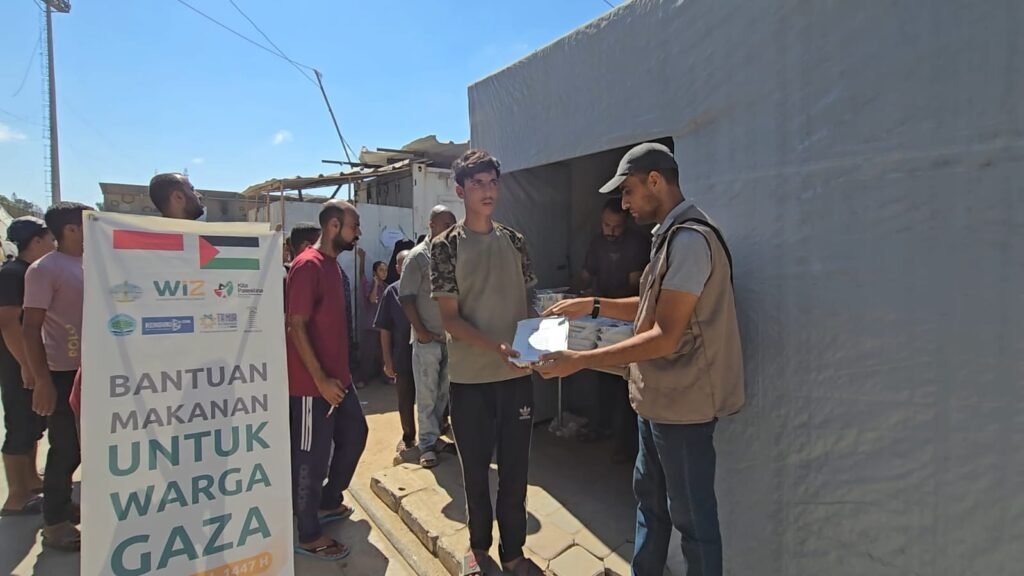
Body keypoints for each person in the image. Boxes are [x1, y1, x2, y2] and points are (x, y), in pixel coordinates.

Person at [538, 143, 744, 576]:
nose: (626, 203)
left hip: (684, 408)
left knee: (693, 521)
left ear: (655, 180)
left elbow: (665, 336)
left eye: (629, 190)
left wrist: (581, 359)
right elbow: (651, 306)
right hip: (656, 401)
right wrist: (593, 305)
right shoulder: (669, 237)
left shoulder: (690, 241)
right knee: (649, 503)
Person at [431, 150, 542, 575]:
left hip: (515, 377)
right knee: (475, 475)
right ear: (460, 191)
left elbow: (528, 302)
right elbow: (450, 319)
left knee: (515, 474)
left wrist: (540, 340)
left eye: (492, 182)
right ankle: (478, 550)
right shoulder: (445, 246)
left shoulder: (515, 241)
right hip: (470, 381)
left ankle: (513, 554)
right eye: (477, 183)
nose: (487, 190)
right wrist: (497, 347)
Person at [286, 200, 368, 561]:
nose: (358, 233)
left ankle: (329, 500)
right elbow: (296, 325)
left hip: (340, 381)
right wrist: (319, 380)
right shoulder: (308, 265)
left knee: (356, 435)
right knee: (310, 459)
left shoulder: (332, 265)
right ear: (334, 226)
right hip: (311, 387)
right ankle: (308, 534)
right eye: (354, 226)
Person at [23, 202, 93, 552]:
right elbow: (30, 327)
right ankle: (55, 523)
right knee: (65, 448)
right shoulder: (44, 269)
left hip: (96, 371)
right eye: (88, 223)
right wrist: (42, 381)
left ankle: (65, 504)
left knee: (86, 447)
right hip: (63, 373)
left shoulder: (95, 263)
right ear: (71, 229)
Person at [576, 197, 650, 458]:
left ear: (626, 223)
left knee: (627, 381)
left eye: (616, 227)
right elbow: (586, 274)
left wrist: (601, 302)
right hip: (603, 317)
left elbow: (635, 286)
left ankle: (627, 444)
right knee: (603, 375)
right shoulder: (597, 243)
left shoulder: (637, 244)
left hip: (629, 319)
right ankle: (602, 426)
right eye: (607, 225)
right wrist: (574, 294)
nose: (611, 231)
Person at [0, 217, 53, 516]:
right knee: (19, 426)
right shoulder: (13, 274)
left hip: (31, 362)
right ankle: (16, 497)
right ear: (36, 241)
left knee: (33, 425)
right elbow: (8, 323)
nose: (53, 244)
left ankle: (31, 480)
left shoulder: (31, 272)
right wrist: (26, 365)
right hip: (17, 363)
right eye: (49, 238)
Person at [400, 205, 457, 468]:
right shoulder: (417, 258)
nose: (451, 230)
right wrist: (421, 332)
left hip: (449, 338)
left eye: (454, 225)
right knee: (426, 394)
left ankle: (435, 436)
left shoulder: (452, 256)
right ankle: (426, 445)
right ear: (431, 225)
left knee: (443, 392)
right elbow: (406, 298)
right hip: (427, 340)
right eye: (446, 225)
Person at [372, 250, 416, 458]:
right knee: (405, 399)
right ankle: (408, 437)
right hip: (403, 356)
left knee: (433, 398)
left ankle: (434, 435)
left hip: (427, 355)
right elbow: (385, 329)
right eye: (403, 265)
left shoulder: (426, 288)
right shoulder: (392, 293)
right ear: (397, 269)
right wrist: (387, 361)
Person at [356, 260, 388, 387]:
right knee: (367, 355)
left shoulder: (386, 287)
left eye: (385, 270)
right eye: (381, 270)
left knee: (383, 354)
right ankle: (363, 379)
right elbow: (372, 299)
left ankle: (385, 376)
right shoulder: (369, 285)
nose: (384, 273)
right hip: (370, 326)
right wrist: (375, 284)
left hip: (382, 326)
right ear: (375, 272)